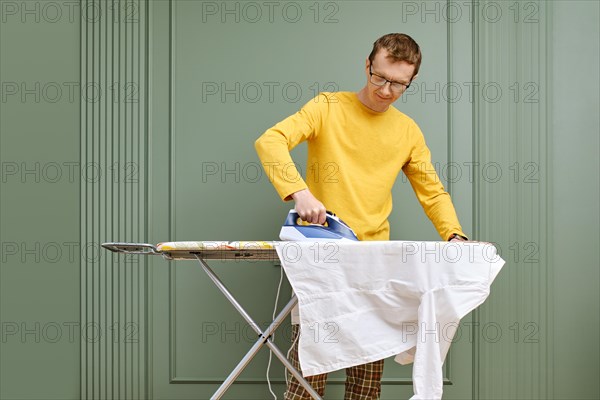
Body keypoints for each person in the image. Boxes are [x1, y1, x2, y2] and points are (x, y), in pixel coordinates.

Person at [255, 33, 468, 400]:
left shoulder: (407, 131)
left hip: (374, 262)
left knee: (368, 374)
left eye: (399, 84)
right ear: (367, 65)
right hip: (322, 256)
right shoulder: (327, 107)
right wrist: (299, 192)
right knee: (310, 368)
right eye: (380, 77)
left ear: (411, 80)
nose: (386, 90)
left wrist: (455, 236)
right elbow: (270, 141)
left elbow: (431, 191)